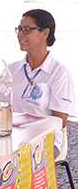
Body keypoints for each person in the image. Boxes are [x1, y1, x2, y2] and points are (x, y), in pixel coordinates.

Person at [8, 9, 76, 158]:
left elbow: (60, 121)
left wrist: (28, 124)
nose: (20, 35)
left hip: (43, 142)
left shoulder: (59, 73)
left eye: (27, 30)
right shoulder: (10, 70)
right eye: (19, 29)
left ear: (45, 33)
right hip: (10, 140)